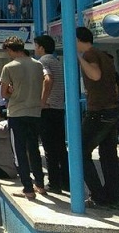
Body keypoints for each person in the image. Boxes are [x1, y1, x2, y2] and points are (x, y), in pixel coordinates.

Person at [76, 26, 119, 209]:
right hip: (112, 109)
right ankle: (112, 197)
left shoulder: (90, 55)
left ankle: (98, 196)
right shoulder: (104, 55)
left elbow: (95, 75)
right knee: (109, 155)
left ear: (77, 40)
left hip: (99, 111)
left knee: (79, 152)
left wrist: (79, 58)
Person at [0, 36, 45, 200]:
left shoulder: (9, 67)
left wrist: (12, 91)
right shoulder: (38, 64)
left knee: (19, 151)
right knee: (33, 149)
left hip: (17, 112)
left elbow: (4, 93)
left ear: (9, 49)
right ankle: (40, 184)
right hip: (35, 112)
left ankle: (28, 188)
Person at [34, 34, 69, 194]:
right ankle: (66, 181)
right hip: (58, 107)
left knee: (49, 148)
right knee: (60, 147)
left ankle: (54, 183)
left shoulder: (43, 61)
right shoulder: (56, 61)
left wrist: (42, 101)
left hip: (47, 109)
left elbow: (48, 79)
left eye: (36, 46)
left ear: (41, 47)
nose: (35, 49)